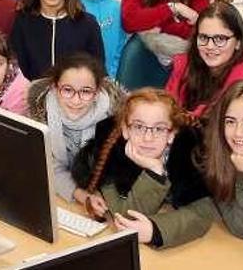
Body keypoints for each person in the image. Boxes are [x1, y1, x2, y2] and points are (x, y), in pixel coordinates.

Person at [115, 80, 243, 244]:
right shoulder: (208, 151)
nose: (238, 133)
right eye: (230, 121)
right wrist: (242, 210)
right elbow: (242, 226)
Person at [70, 89, 209, 248]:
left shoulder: (187, 155)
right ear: (125, 130)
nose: (148, 138)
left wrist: (155, 230)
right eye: (138, 127)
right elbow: (123, 216)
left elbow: (203, 213)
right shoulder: (111, 151)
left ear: (172, 134)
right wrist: (154, 171)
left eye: (159, 129)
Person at [26, 53, 125, 202]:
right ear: (55, 87)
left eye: (85, 91)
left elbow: (117, 173)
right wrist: (77, 192)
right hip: (64, 194)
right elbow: (47, 164)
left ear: (97, 92)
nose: (75, 100)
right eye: (67, 90)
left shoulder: (116, 120)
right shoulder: (40, 114)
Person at [165, 2, 243, 118]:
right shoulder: (185, 65)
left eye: (220, 39)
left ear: (238, 42)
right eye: (203, 37)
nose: (210, 46)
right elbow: (166, 109)